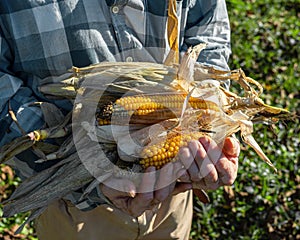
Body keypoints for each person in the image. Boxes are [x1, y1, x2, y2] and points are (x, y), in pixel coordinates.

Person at [0, 0, 240, 239]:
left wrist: (208, 119)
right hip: (77, 206)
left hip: (174, 195)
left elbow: (208, 31)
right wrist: (93, 174)